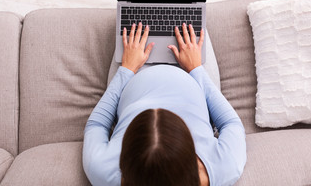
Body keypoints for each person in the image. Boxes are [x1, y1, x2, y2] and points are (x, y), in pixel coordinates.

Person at [83, 22, 247, 186]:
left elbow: (97, 124)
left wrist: (126, 70)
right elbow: (230, 123)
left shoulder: (101, 170)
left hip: (130, 74)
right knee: (192, 20)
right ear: (191, 156)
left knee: (132, 20)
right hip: (196, 77)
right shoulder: (226, 167)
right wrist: (196, 69)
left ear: (124, 158)